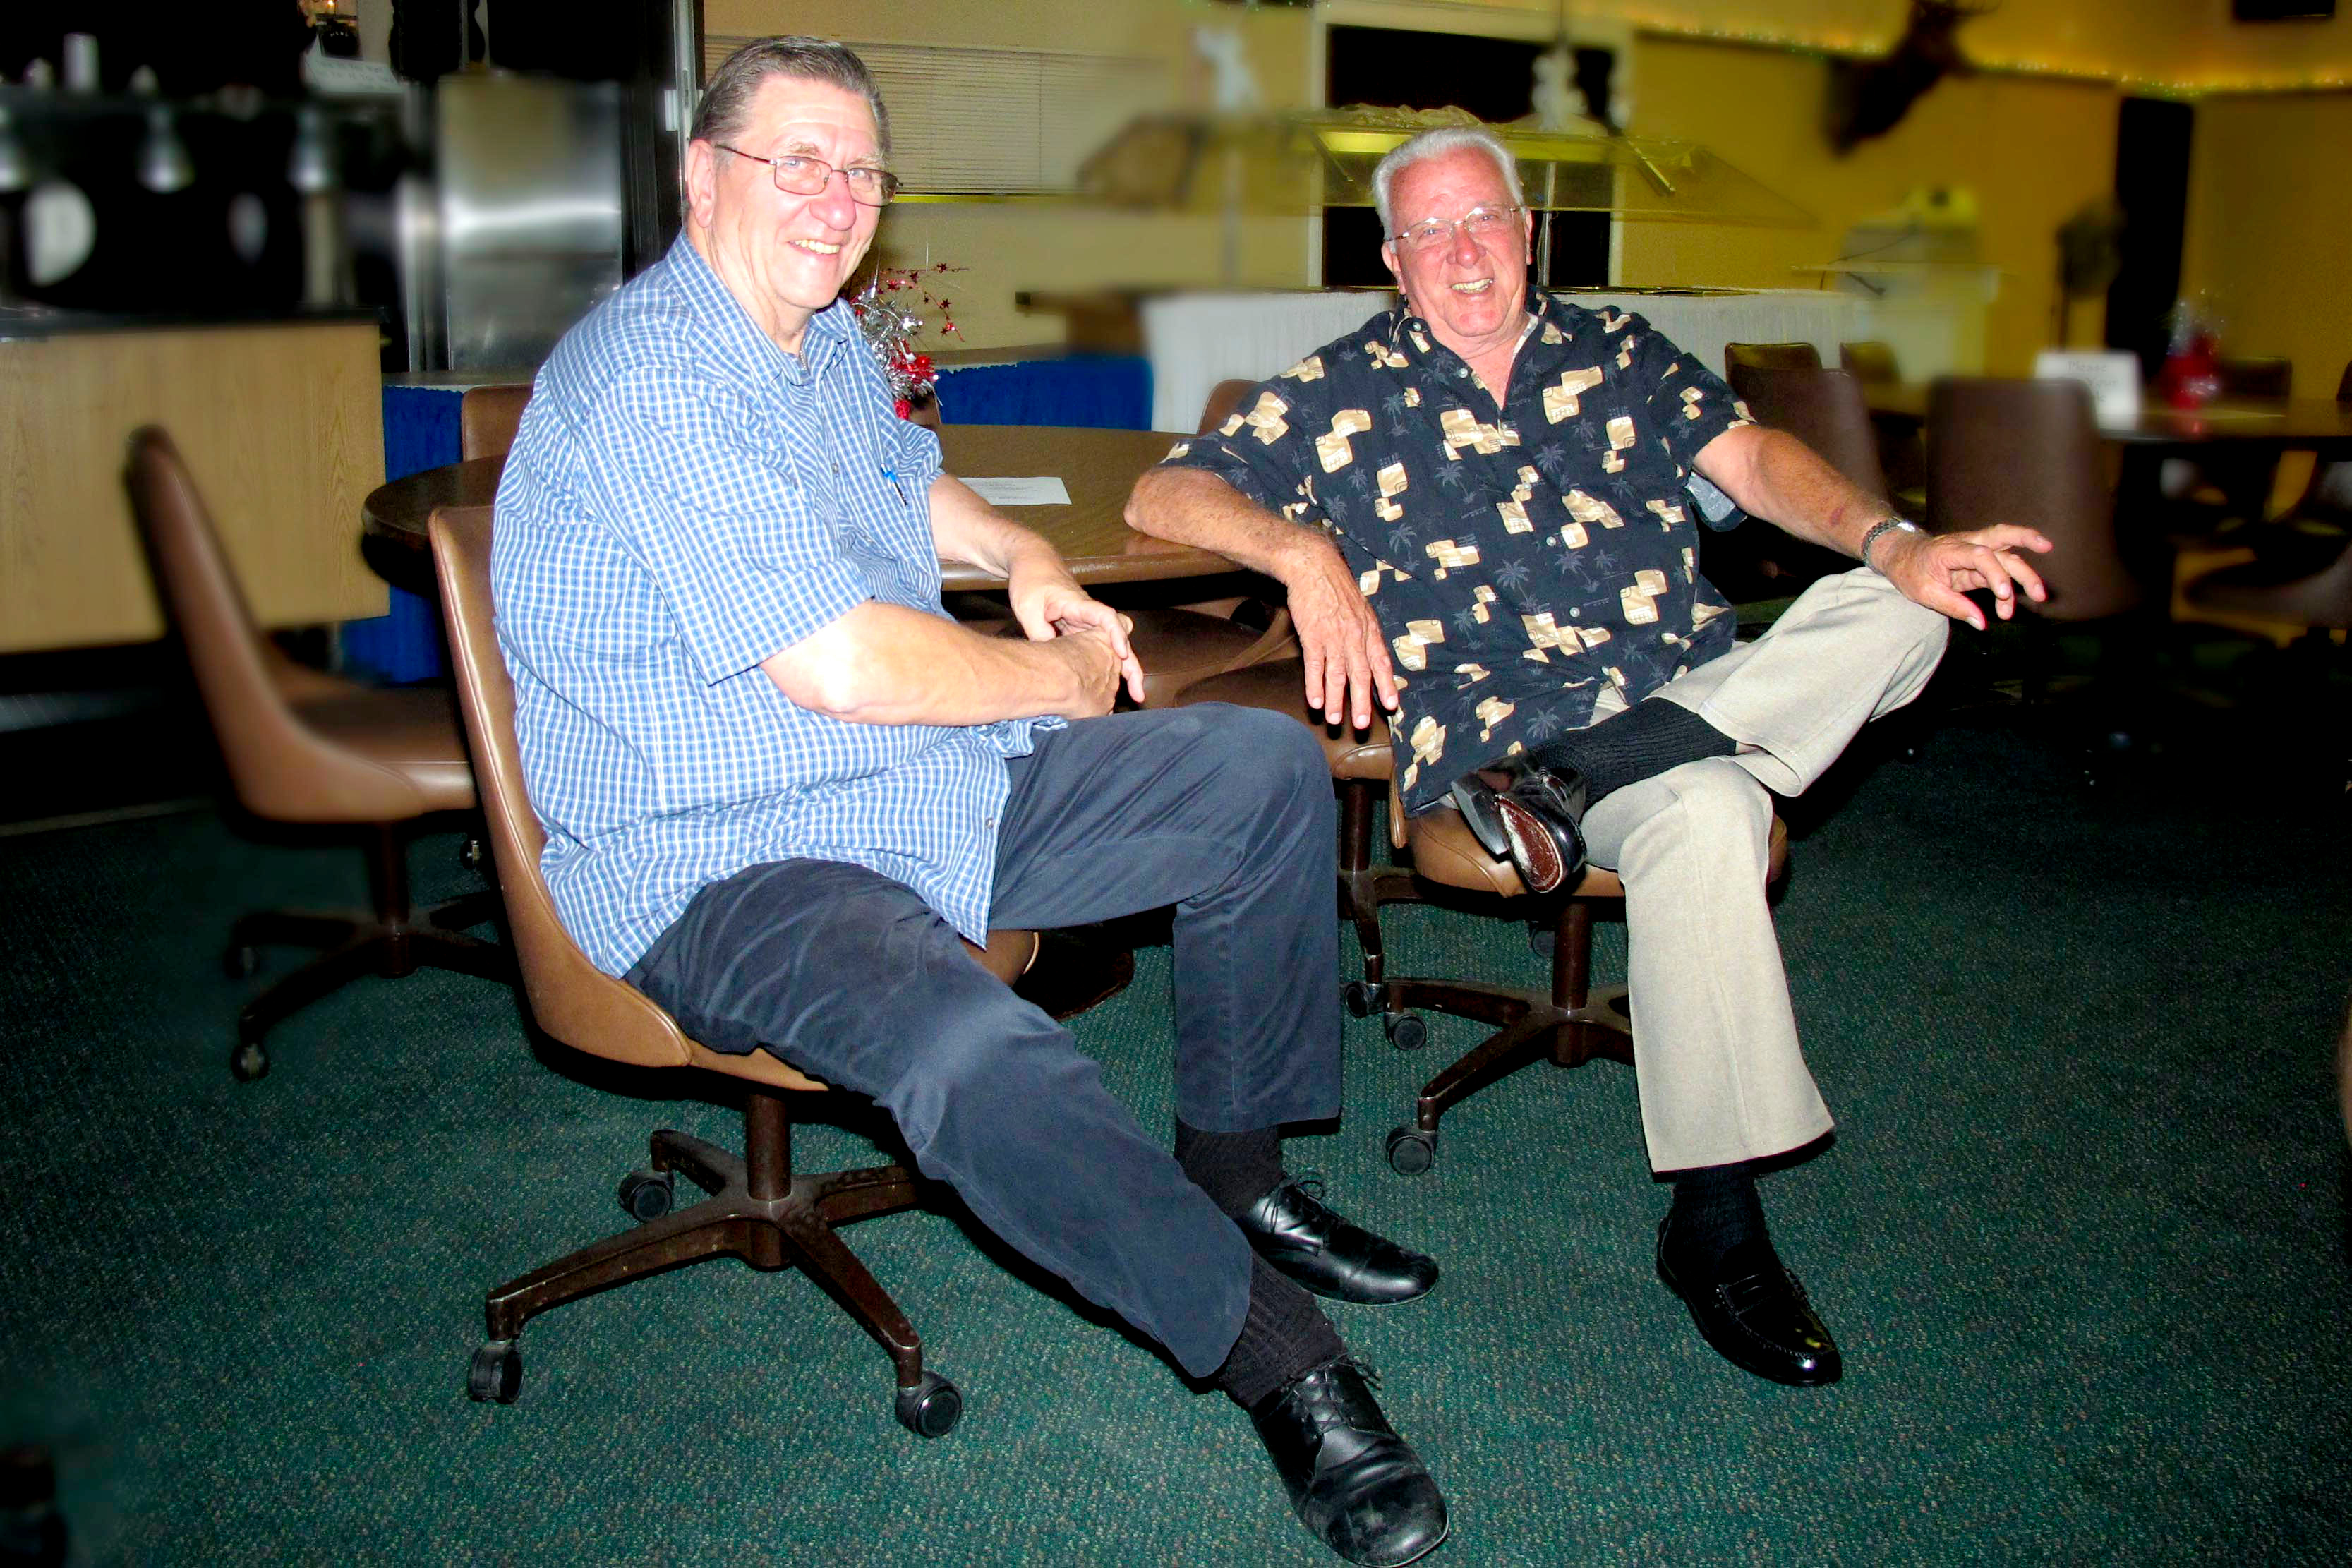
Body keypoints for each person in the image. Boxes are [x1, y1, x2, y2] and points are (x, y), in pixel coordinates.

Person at [491, 38, 1447, 1568]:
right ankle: (1280, 1358)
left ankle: (1237, 1175)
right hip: (729, 855)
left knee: (1258, 770)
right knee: (963, 1044)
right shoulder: (653, 374)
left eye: (861, 170)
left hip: (910, 789)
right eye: (798, 161)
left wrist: (1025, 558)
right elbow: (845, 667)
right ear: (700, 176)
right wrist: (1052, 672)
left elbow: (906, 478)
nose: (837, 199)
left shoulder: (816, 338)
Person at [1128, 125, 2051, 1390]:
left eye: (1483, 219)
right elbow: (1162, 495)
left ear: (1527, 233)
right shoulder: (1343, 390)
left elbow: (1754, 461)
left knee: (1908, 605)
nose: (1463, 251)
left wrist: (1894, 540)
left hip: (1682, 696)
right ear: (1393, 260)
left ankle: (1600, 766)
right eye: (1429, 231)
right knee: (1710, 811)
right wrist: (1304, 554)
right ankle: (1716, 1224)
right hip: (1501, 734)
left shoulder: (1621, 351)